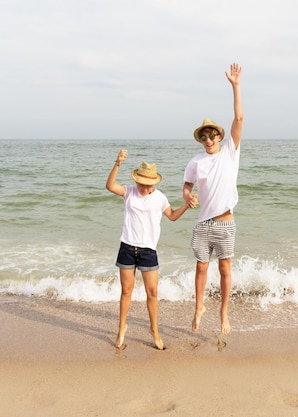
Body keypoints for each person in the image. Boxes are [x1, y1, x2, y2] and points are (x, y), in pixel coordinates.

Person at [106, 149, 194, 350]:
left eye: (147, 185)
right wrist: (117, 163)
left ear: (153, 183)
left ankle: (154, 330)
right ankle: (121, 329)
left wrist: (187, 206)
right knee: (126, 291)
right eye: (141, 184)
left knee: (152, 293)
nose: (143, 188)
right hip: (127, 247)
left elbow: (171, 216)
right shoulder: (129, 192)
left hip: (148, 252)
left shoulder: (160, 198)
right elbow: (110, 186)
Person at [183, 62, 243, 336]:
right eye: (204, 137)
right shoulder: (196, 162)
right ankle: (199, 308)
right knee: (201, 269)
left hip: (226, 222)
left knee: (225, 269)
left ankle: (223, 313)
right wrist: (188, 196)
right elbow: (186, 186)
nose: (208, 139)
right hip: (204, 224)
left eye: (212, 135)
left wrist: (235, 86)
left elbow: (239, 119)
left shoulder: (230, 151)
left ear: (219, 136)